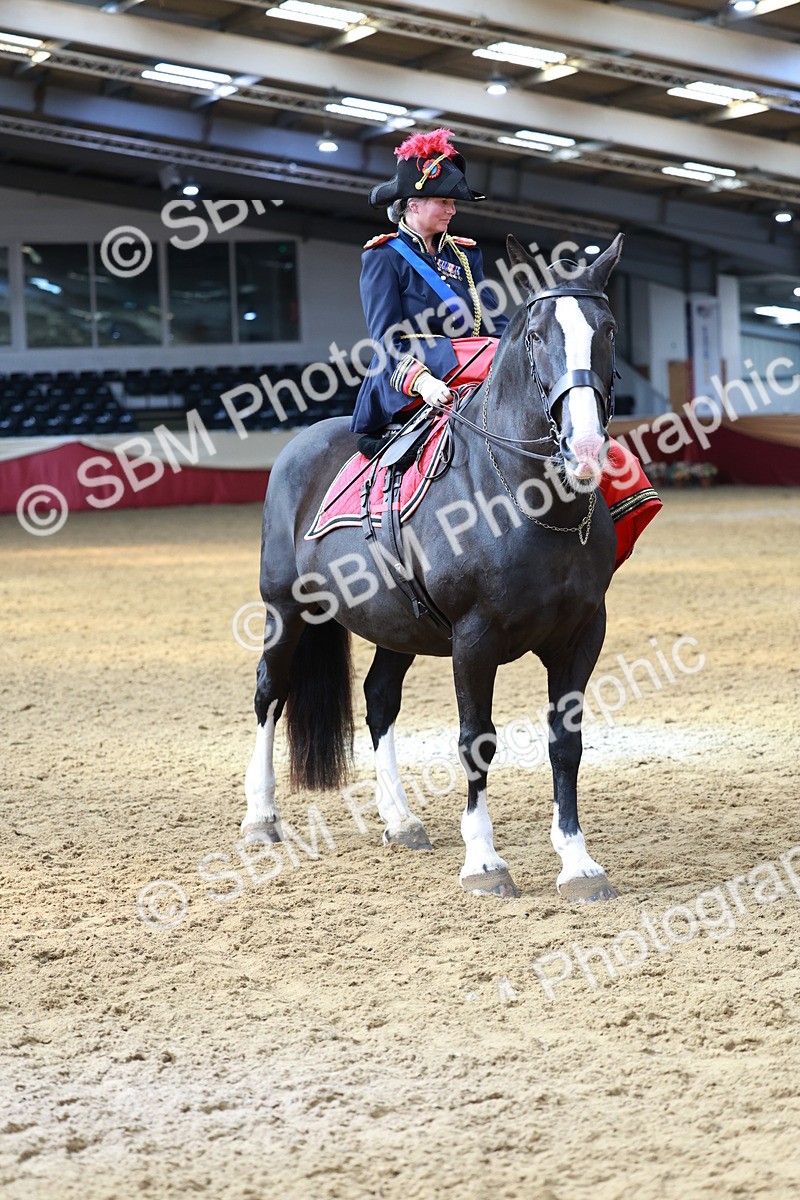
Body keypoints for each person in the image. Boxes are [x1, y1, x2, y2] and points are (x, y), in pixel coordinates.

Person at [350, 128, 507, 448]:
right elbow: (386, 340)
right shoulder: (383, 258)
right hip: (411, 374)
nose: (453, 210)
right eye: (444, 202)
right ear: (414, 205)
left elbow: (494, 323)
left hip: (473, 363)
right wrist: (422, 382)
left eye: (452, 203)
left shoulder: (466, 254)